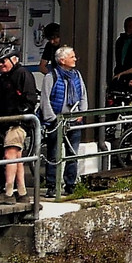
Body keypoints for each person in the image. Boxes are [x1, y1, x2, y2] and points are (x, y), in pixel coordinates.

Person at [0, 48, 40, 197]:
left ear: (13, 59)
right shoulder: (4, 78)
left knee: (10, 155)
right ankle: (21, 191)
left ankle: (8, 192)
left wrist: (19, 116)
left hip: (18, 122)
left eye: (3, 62)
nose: (0, 65)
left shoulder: (23, 74)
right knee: (17, 157)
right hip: (7, 121)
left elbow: (30, 100)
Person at [42, 45, 87, 193]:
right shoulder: (51, 76)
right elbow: (45, 100)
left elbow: (83, 95)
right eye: (72, 57)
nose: (75, 59)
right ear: (62, 60)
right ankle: (52, 186)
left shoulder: (77, 75)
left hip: (73, 120)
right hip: (56, 121)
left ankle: (70, 184)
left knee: (72, 153)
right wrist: (53, 119)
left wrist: (82, 112)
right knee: (53, 154)